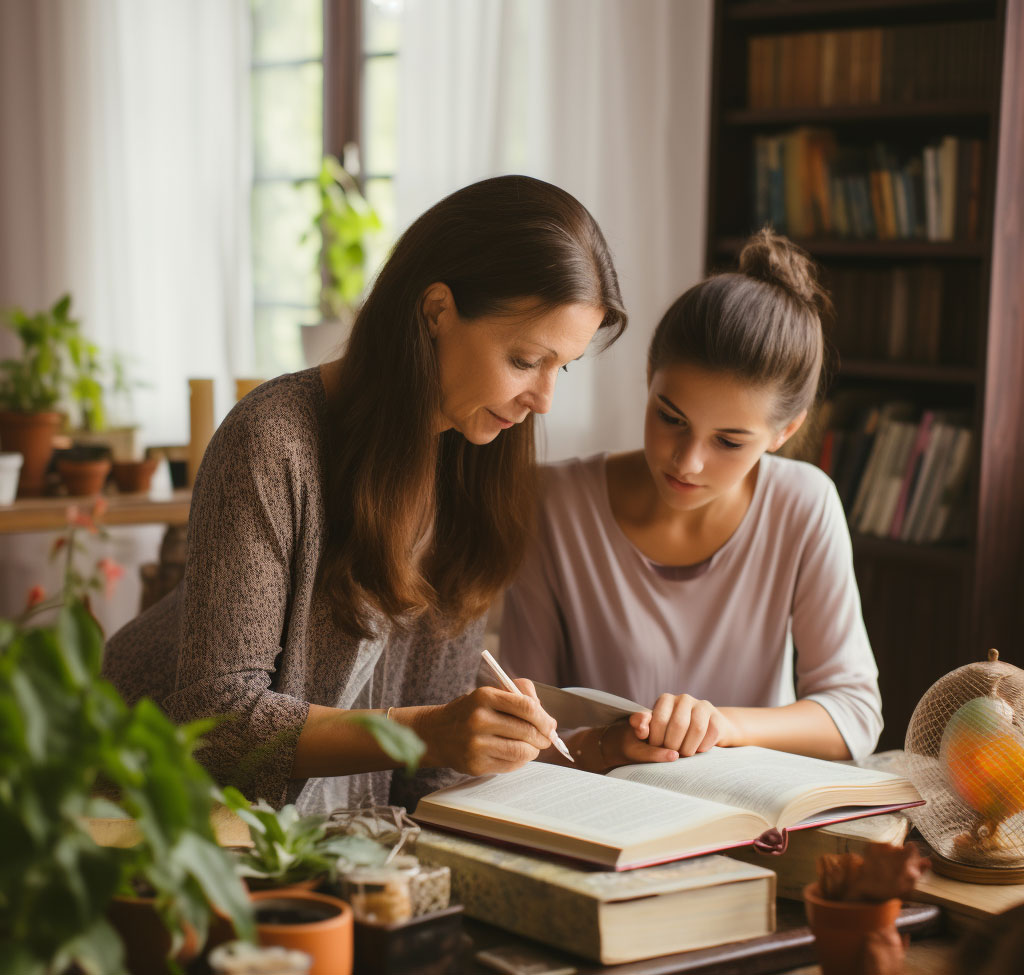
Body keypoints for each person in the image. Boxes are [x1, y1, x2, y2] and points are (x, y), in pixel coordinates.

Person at [103, 174, 627, 813]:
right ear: (436, 311)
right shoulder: (273, 440)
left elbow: (420, 783)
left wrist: (574, 751)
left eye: (560, 367)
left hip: (321, 837)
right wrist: (430, 733)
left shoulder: (472, 465)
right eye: (524, 360)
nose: (543, 399)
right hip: (145, 803)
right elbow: (217, 723)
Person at [500, 229, 882, 773]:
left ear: (785, 430)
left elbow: (856, 713)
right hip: (597, 805)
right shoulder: (552, 501)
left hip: (748, 817)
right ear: (648, 379)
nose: (687, 462)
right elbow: (521, 716)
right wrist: (610, 747)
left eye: (728, 441)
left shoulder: (803, 504)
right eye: (670, 418)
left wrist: (723, 727)